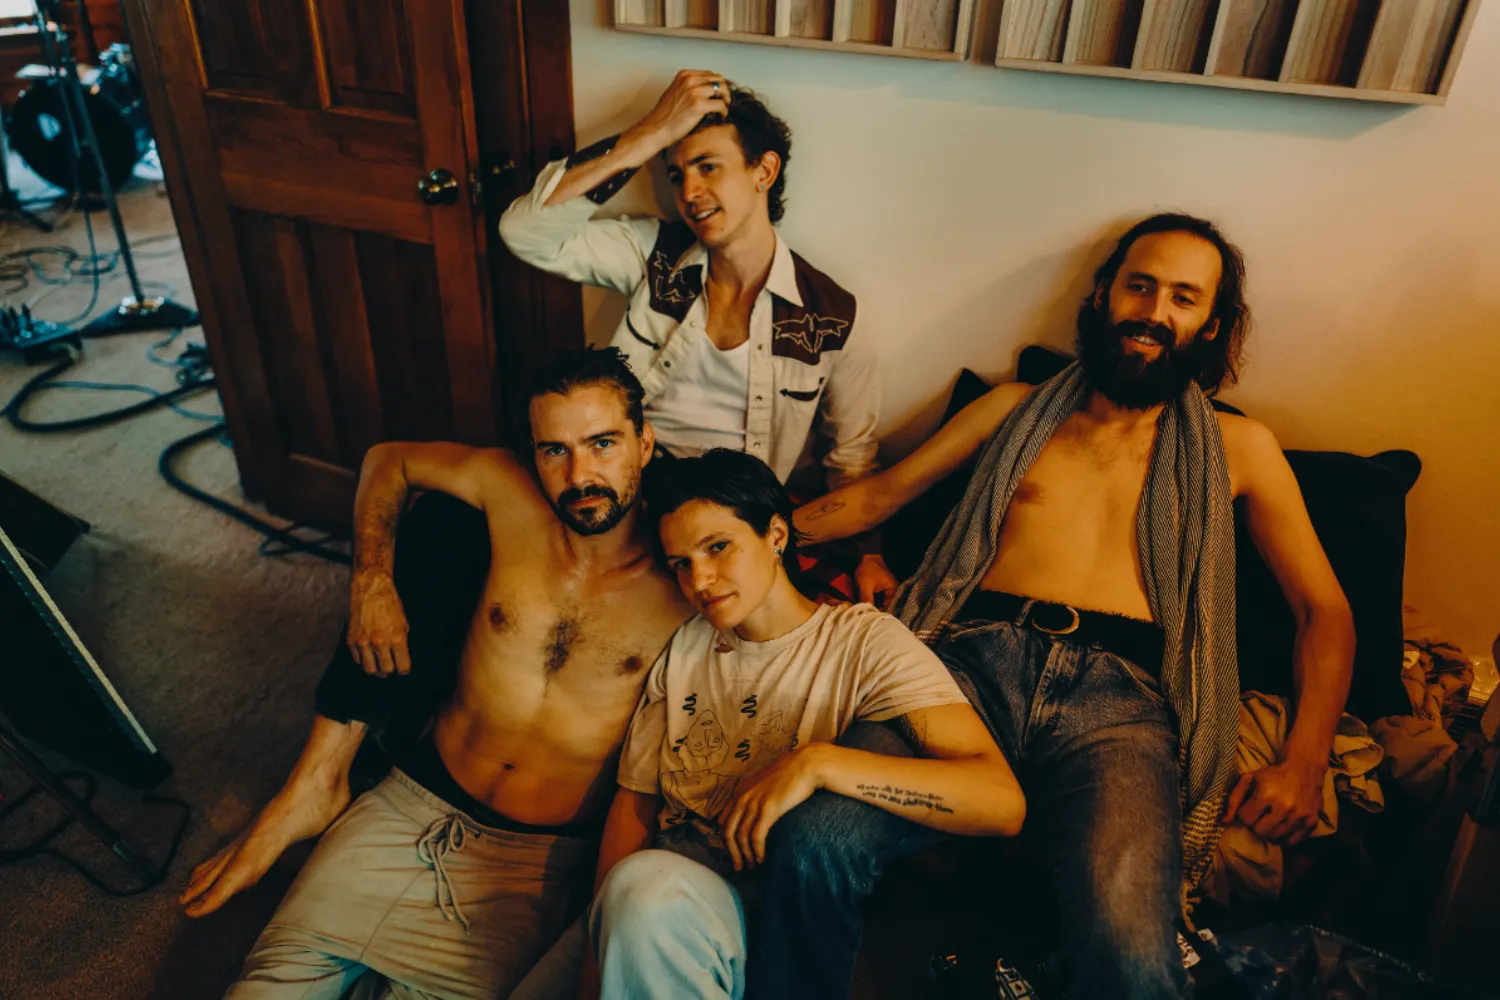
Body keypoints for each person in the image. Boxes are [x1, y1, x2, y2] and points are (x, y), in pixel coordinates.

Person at [782, 214, 1356, 998]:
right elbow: (876, 498)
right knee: (812, 837)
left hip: (1119, 705)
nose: (1154, 310)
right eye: (1140, 286)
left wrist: (1306, 760)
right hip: (963, 673)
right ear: (1103, 295)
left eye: (1183, 297)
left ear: (1213, 326)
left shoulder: (1241, 447)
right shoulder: (1012, 410)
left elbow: (1325, 610)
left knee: (1129, 951)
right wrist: (738, 534)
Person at [180, 348, 693, 999]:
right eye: (554, 451)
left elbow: (779, 573)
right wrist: (370, 581)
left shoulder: (689, 573)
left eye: (603, 444)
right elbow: (387, 460)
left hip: (527, 866)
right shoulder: (507, 490)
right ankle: (316, 786)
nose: (579, 474)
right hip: (407, 803)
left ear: (645, 444)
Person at [580, 449, 1024, 1000]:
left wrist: (820, 763)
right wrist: (597, 943)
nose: (701, 580)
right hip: (646, 894)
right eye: (681, 563)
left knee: (645, 893)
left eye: (718, 547)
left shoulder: (862, 642)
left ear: (775, 535)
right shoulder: (687, 644)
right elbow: (635, 803)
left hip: (754, 911)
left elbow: (1000, 802)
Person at [498, 70, 897, 604]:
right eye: (676, 173)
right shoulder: (656, 257)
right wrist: (651, 133)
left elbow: (851, 457)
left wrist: (869, 554)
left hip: (726, 516)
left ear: (763, 171)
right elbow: (524, 233)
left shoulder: (831, 318)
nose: (688, 193)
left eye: (708, 167)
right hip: (627, 491)